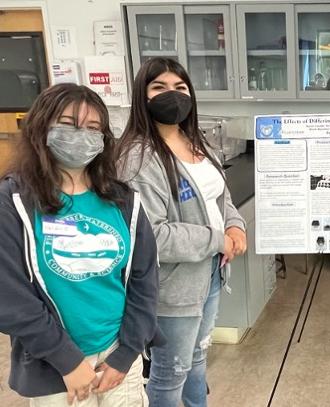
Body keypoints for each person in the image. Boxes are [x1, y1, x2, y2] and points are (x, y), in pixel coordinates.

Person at [0, 83, 159, 406]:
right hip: (54, 365)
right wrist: (68, 361)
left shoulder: (123, 200)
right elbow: (9, 295)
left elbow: (145, 281)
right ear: (41, 128)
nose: (81, 135)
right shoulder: (13, 201)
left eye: (92, 128)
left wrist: (126, 354)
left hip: (116, 354)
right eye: (69, 125)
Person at [116, 57, 247, 407]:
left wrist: (235, 224)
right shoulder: (138, 158)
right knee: (170, 371)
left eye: (180, 88)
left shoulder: (196, 143)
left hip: (209, 274)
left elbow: (219, 196)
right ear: (142, 97)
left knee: (196, 358)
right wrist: (218, 239)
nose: (172, 95)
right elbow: (152, 236)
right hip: (171, 286)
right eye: (159, 88)